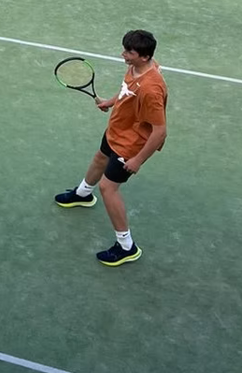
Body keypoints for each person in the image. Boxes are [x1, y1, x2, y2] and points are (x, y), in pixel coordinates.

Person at [55, 29, 167, 266]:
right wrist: (111, 101)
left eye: (129, 52)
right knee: (99, 157)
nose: (123, 54)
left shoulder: (151, 89)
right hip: (117, 130)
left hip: (132, 143)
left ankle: (127, 246)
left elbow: (159, 131)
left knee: (108, 188)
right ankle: (83, 194)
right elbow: (127, 91)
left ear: (144, 56)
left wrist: (137, 160)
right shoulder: (137, 67)